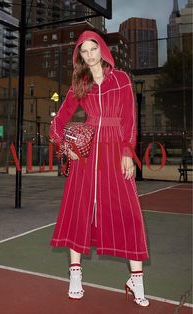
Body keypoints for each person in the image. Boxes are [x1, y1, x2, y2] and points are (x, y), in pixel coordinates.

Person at [49, 30, 149, 307]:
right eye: (84, 51)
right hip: (86, 156)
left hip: (116, 151)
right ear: (79, 56)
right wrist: (65, 146)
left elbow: (130, 118)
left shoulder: (122, 80)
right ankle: (75, 275)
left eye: (93, 49)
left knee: (129, 213)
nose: (90, 55)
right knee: (78, 210)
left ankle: (136, 279)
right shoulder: (80, 84)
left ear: (103, 50)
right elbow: (57, 124)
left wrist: (128, 151)